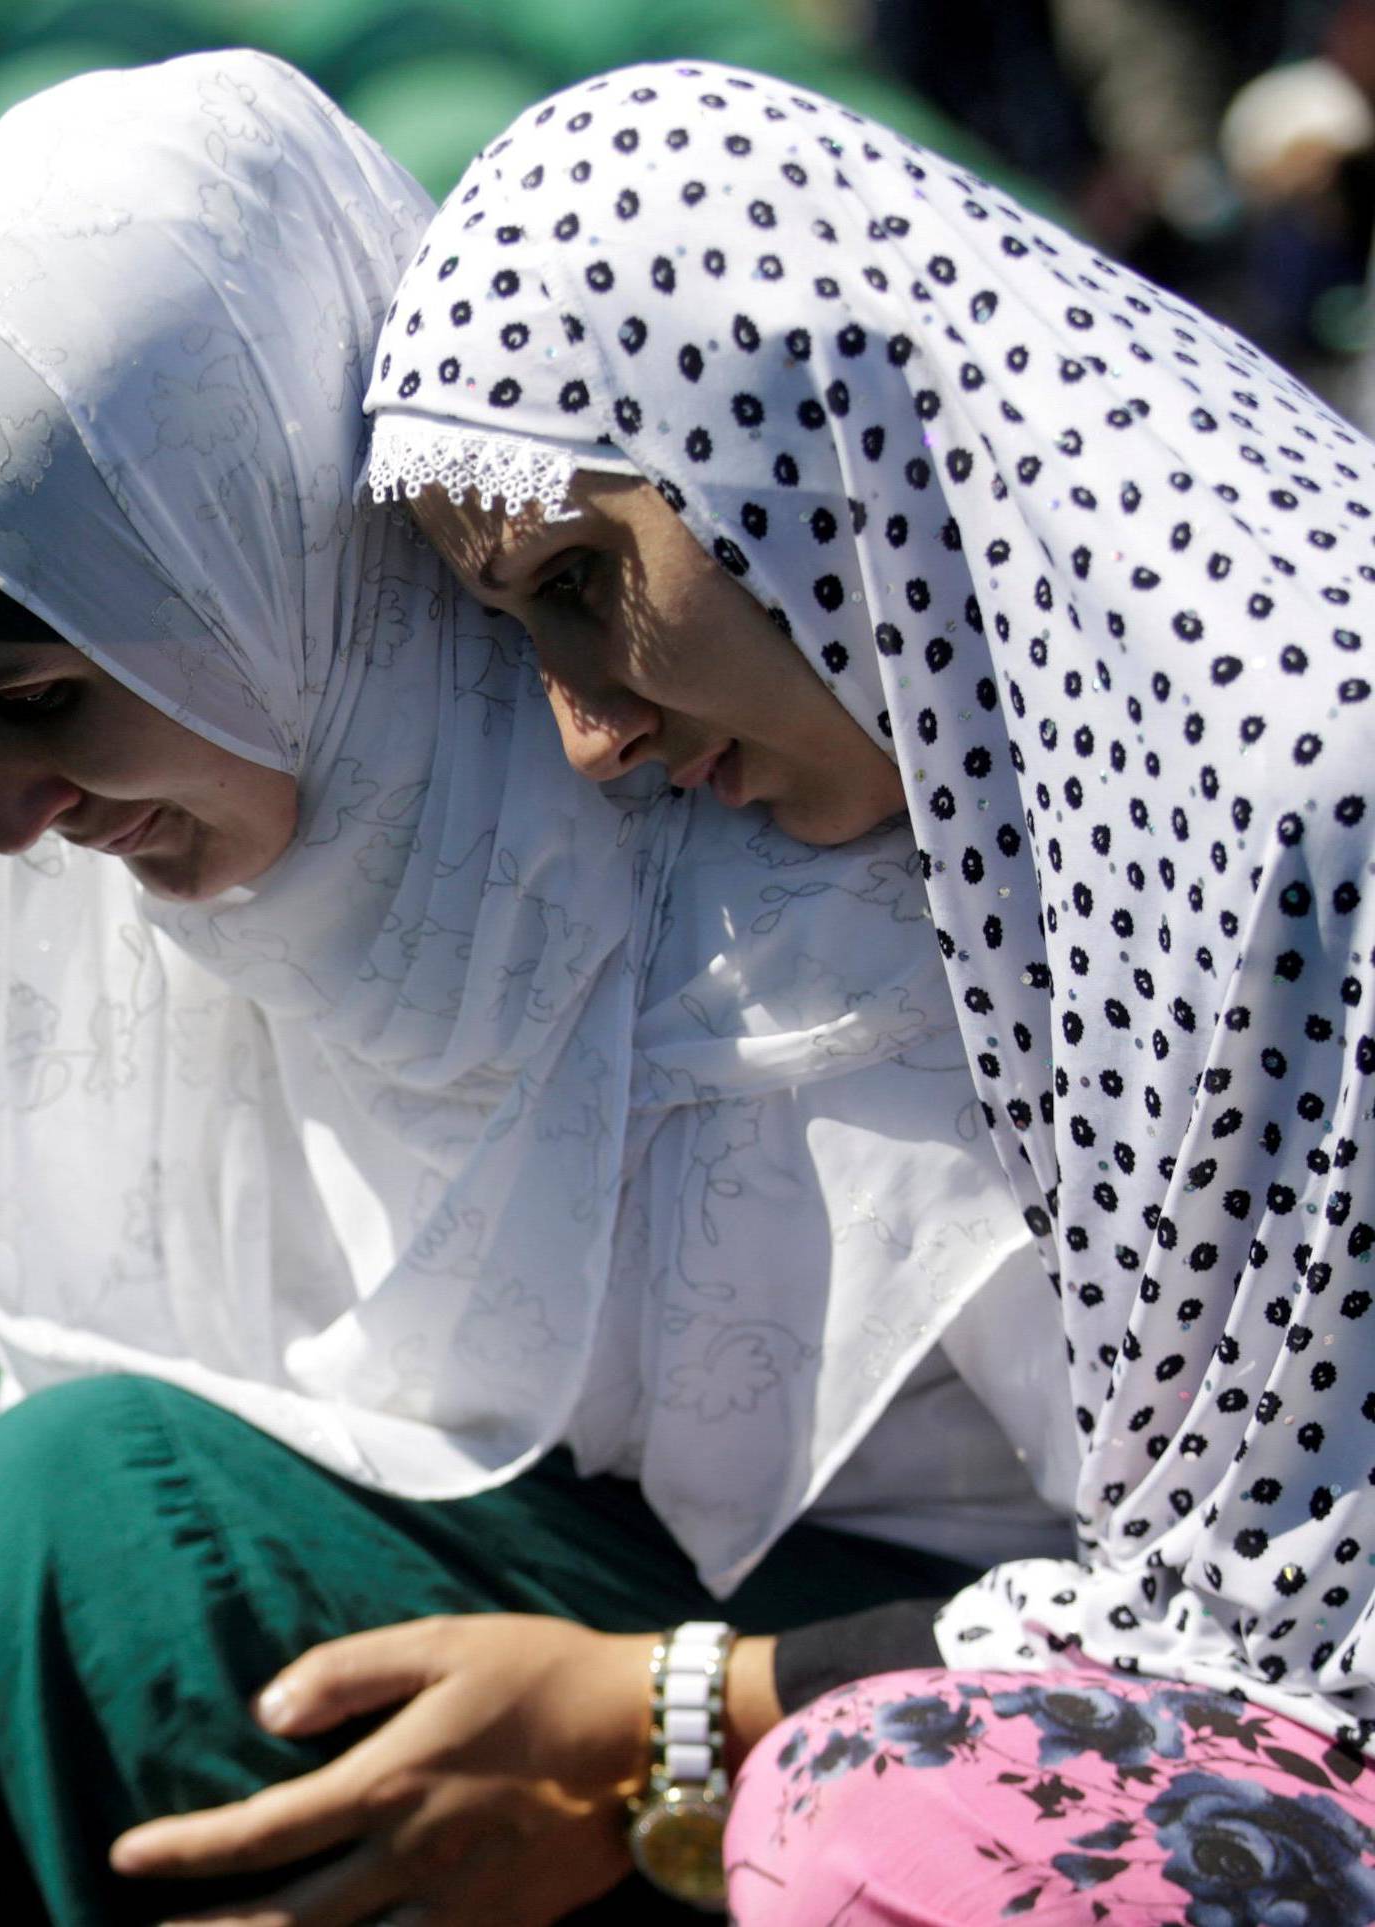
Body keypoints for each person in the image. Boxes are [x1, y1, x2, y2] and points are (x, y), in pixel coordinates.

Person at [0, 49, 1084, 1927]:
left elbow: (1230, 1614)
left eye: (34, 699)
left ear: (265, 563)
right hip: (601, 1719)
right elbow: (95, 1374)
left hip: (949, 1764)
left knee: (91, 1524)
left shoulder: (797, 848)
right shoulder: (211, 880)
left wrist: (669, 1729)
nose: (5, 821)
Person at [360, 56, 1375, 1919]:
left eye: (587, 579)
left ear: (808, 431)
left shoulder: (1312, 785)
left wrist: (682, 1710)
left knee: (880, 1828)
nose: (588, 738)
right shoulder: (1093, 788)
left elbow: (1295, 1634)